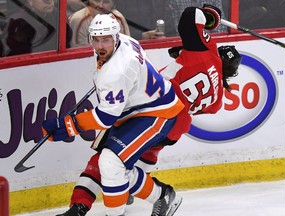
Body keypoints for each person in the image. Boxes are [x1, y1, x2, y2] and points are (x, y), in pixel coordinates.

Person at [43, 4, 242, 216]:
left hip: (158, 110)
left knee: (113, 163)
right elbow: (201, 96)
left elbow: (190, 18)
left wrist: (211, 16)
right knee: (122, 160)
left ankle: (148, 194)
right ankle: (90, 203)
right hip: (175, 123)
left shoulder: (207, 53)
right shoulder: (217, 98)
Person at [42, 13, 185, 216]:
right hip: (132, 109)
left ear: (115, 37)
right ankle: (78, 208)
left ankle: (160, 196)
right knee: (104, 162)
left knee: (111, 162)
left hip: (157, 112)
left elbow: (106, 118)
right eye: (97, 40)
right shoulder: (125, 41)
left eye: (106, 39)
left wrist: (68, 126)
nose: (101, 46)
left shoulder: (117, 71)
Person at [1, 0, 72, 56]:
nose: (50, 2)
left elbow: (67, 44)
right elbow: (14, 55)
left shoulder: (59, 15)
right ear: (30, 1)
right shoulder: (18, 22)